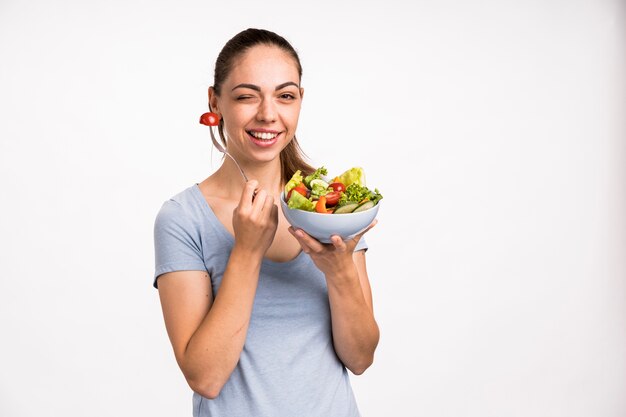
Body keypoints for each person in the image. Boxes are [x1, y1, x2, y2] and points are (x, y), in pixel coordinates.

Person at [153, 28, 379, 417]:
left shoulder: (331, 206)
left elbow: (359, 358)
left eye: (285, 96)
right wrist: (246, 251)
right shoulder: (182, 218)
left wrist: (339, 271)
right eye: (246, 96)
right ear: (215, 101)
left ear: (299, 102)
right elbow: (205, 377)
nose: (268, 114)